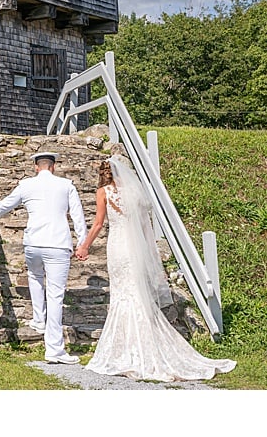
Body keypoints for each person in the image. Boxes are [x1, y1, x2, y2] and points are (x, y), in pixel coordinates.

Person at [75, 155, 236, 381]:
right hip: (135, 250)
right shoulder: (135, 195)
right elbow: (144, 228)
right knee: (136, 293)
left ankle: (126, 350)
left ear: (103, 173)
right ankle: (143, 345)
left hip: (118, 247)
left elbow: (99, 223)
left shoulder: (103, 193)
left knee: (122, 293)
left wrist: (84, 246)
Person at [0, 151, 87, 364]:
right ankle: (54, 350)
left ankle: (39, 319)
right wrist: (83, 243)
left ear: (36, 167)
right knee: (55, 295)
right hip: (57, 244)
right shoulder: (67, 185)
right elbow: (77, 215)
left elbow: (5, 205)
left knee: (34, 277)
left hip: (33, 243)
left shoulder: (26, 185)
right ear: (53, 166)